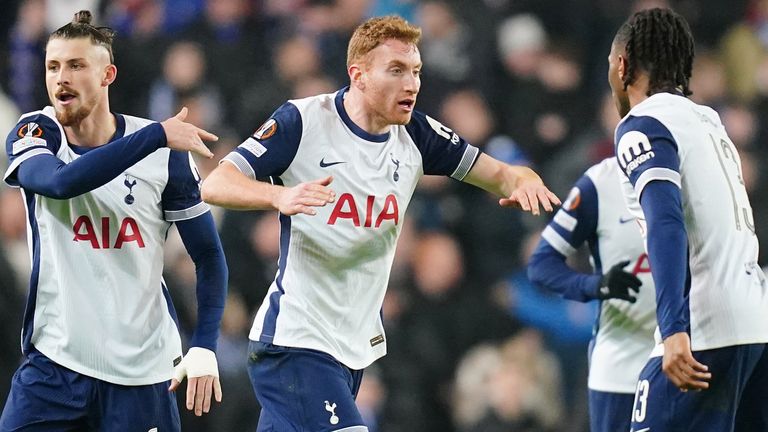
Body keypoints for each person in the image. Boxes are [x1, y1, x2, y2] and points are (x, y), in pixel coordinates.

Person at [201, 15, 560, 431]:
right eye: (396, 71)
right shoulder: (303, 121)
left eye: (416, 72)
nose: (411, 84)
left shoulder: (417, 136)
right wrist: (280, 195)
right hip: (295, 341)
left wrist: (525, 177)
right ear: (359, 75)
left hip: (351, 349)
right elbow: (217, 184)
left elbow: (499, 173)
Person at [0, 11, 228, 431]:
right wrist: (157, 135)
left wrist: (205, 346)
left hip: (141, 377)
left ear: (108, 75)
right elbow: (59, 183)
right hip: (54, 368)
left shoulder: (165, 155)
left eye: (76, 65)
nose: (61, 78)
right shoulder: (35, 132)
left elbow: (209, 257)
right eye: (53, 66)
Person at [608, 8, 768, 432]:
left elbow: (666, 222)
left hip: (705, 330)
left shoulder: (643, 124)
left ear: (622, 65)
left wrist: (674, 329)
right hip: (755, 327)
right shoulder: (711, 123)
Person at [527, 157, 656, 432]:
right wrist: (595, 286)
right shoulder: (600, 182)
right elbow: (541, 265)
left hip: (696, 355)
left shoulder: (700, 173)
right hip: (623, 360)